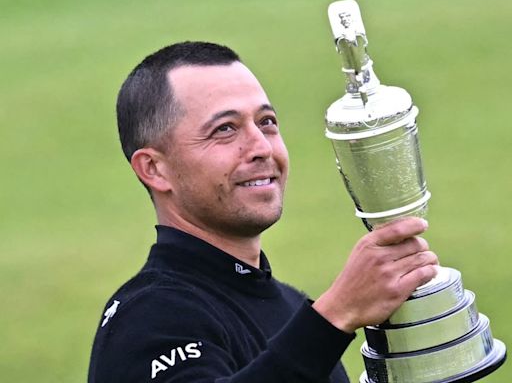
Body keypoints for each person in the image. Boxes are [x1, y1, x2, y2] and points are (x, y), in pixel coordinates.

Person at [88, 41, 438, 383]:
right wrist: (335, 315)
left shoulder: (288, 304)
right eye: (225, 129)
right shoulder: (147, 316)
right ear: (154, 169)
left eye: (266, 122)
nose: (261, 147)